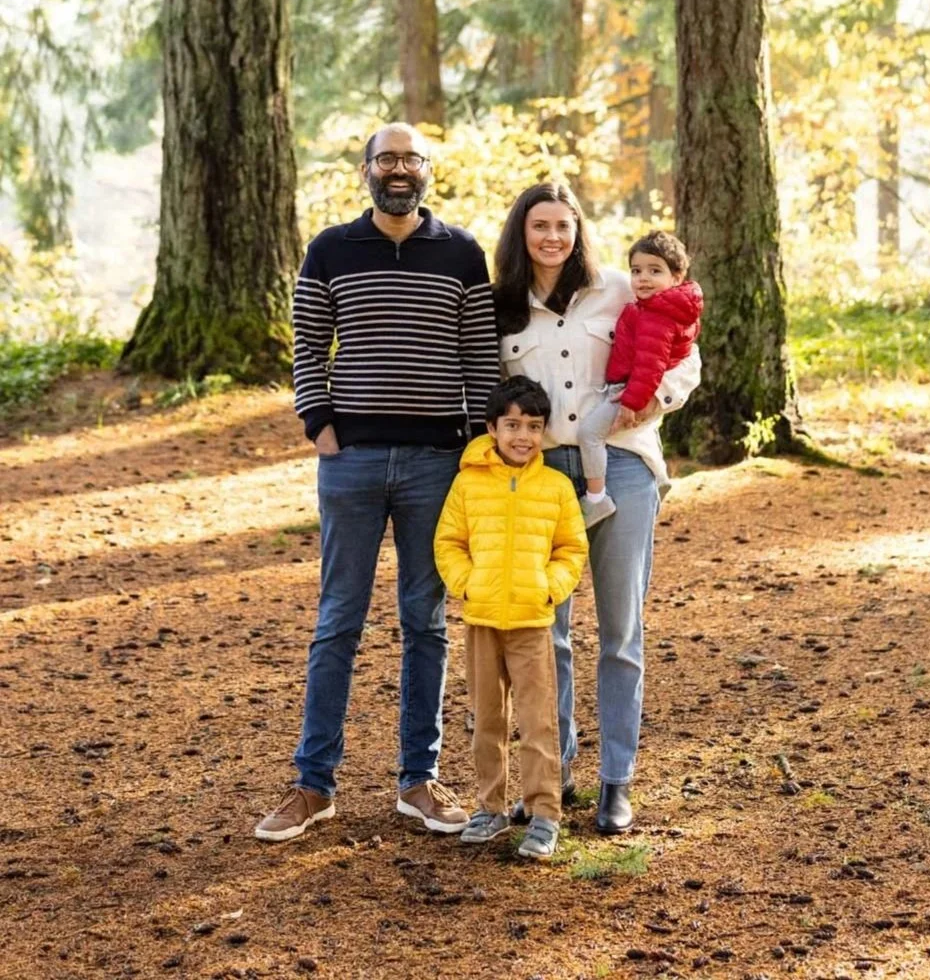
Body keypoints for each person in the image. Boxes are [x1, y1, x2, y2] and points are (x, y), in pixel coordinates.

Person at [255, 123, 500, 842]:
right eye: (387, 158)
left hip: (436, 464)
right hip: (352, 461)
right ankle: (312, 785)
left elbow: (478, 353)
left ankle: (417, 782)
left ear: (427, 170)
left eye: (411, 158)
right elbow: (307, 342)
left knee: (424, 622)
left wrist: (475, 441)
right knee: (338, 621)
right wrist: (317, 422)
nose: (399, 168)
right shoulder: (331, 249)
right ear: (366, 169)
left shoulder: (462, 254)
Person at [493, 182, 701, 834]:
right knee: (545, 633)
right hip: (540, 477)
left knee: (620, 632)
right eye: (540, 226)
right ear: (522, 234)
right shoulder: (503, 305)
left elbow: (686, 354)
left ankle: (618, 780)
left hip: (625, 471)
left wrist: (657, 396)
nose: (553, 237)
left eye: (564, 224)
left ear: (580, 230)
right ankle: (554, 771)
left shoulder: (620, 287)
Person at [434, 376, 588, 860]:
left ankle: (543, 814)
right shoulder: (467, 482)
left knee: (539, 720)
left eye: (534, 426)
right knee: (488, 720)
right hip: (481, 619)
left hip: (532, 622)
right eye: (513, 424)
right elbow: (449, 543)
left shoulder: (556, 487)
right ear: (491, 427)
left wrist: (550, 587)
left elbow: (571, 549)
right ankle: (490, 807)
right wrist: (466, 584)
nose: (523, 436)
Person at [577, 230, 703, 528]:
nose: (643, 278)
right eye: (636, 271)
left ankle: (596, 500)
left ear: (677, 276)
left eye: (654, 271)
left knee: (589, 434)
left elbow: (650, 365)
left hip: (630, 391)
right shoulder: (657, 308)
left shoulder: (657, 316)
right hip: (628, 387)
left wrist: (632, 402)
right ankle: (658, 480)